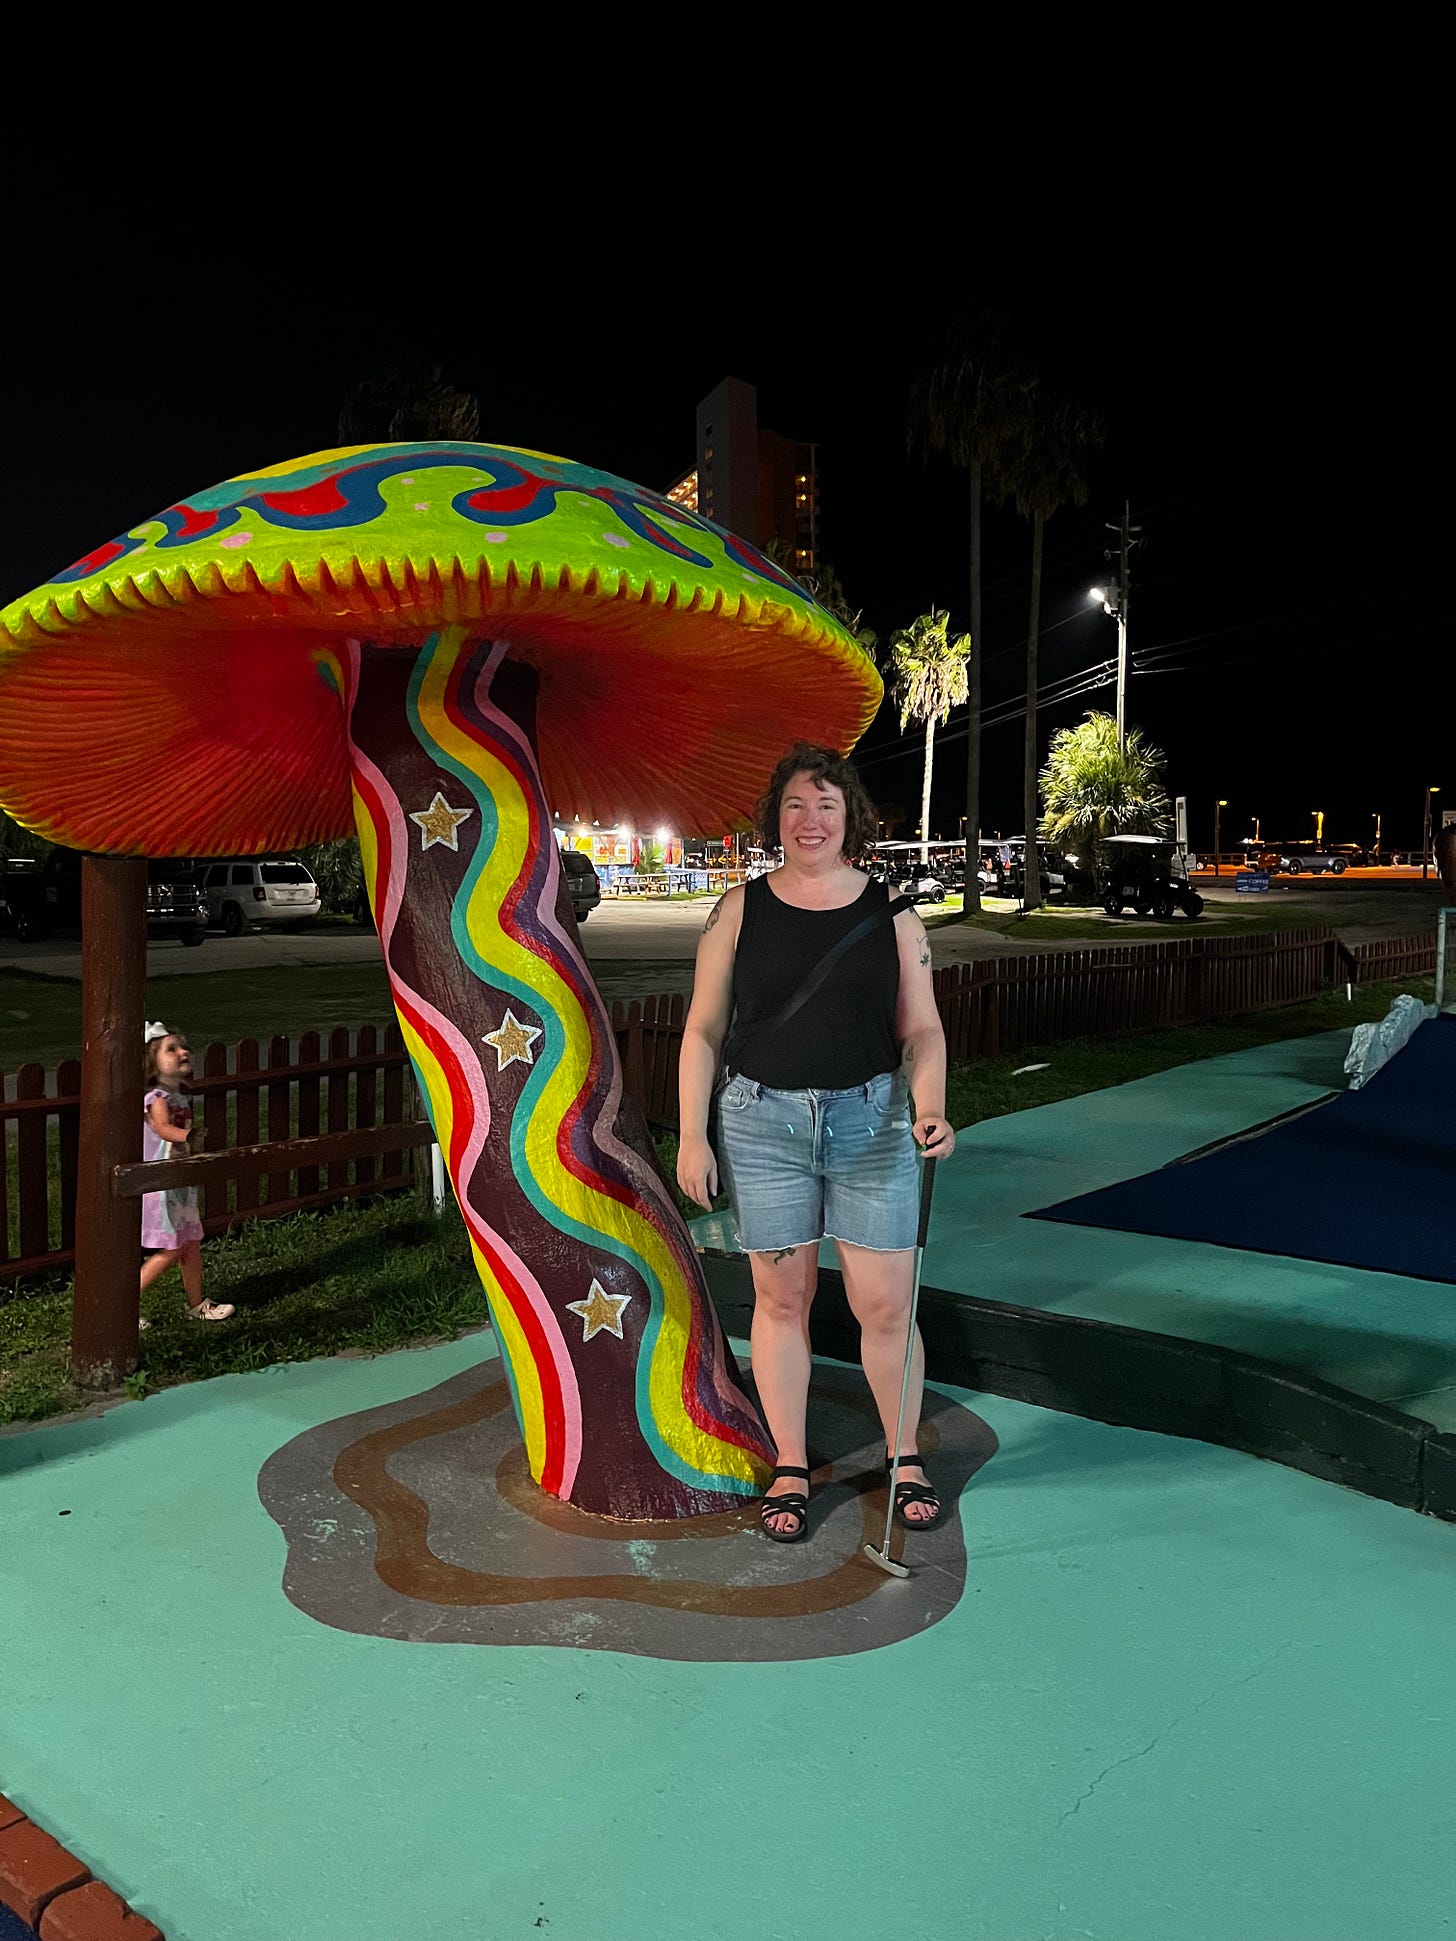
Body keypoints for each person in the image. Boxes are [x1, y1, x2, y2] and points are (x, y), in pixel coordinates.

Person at [677, 744, 955, 1542]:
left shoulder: (894, 912)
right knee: (783, 1298)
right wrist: (694, 1134)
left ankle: (904, 1456)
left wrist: (930, 1107)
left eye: (827, 805)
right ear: (777, 817)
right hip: (761, 1125)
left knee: (885, 1304)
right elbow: (702, 1029)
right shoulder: (738, 909)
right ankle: (792, 1465)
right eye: (796, 805)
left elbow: (924, 1028)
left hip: (871, 1125)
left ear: (851, 818)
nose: (811, 820)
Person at [141, 1022, 234, 1322]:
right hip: (162, 1185)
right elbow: (163, 1128)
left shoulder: (179, 1096)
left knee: (190, 1245)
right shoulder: (157, 1098)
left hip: (180, 1182)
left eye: (184, 1047)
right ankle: (120, 1308)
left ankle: (196, 1305)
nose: (183, 1052)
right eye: (172, 1049)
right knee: (170, 1250)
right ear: (152, 1064)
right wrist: (189, 1137)